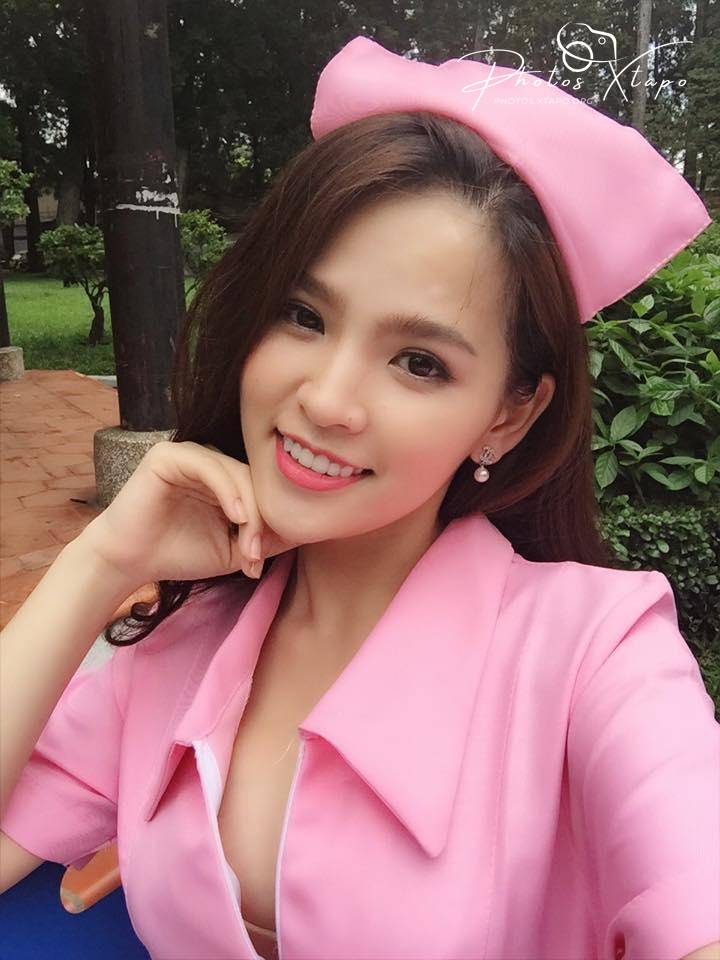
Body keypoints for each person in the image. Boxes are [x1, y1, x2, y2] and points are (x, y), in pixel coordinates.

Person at [1, 35, 719, 960]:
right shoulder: (182, 648)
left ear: (507, 414)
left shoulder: (596, 656)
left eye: (419, 363)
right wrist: (98, 562)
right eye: (305, 316)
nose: (327, 400)